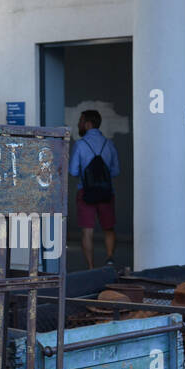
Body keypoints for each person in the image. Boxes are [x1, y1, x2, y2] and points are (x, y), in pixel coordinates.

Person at [69, 109, 119, 269]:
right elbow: (116, 170)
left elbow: (73, 171)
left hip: (86, 192)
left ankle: (91, 267)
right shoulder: (109, 143)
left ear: (88, 124)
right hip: (106, 192)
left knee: (87, 230)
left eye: (80, 121)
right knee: (108, 227)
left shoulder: (80, 144)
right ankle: (110, 258)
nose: (78, 124)